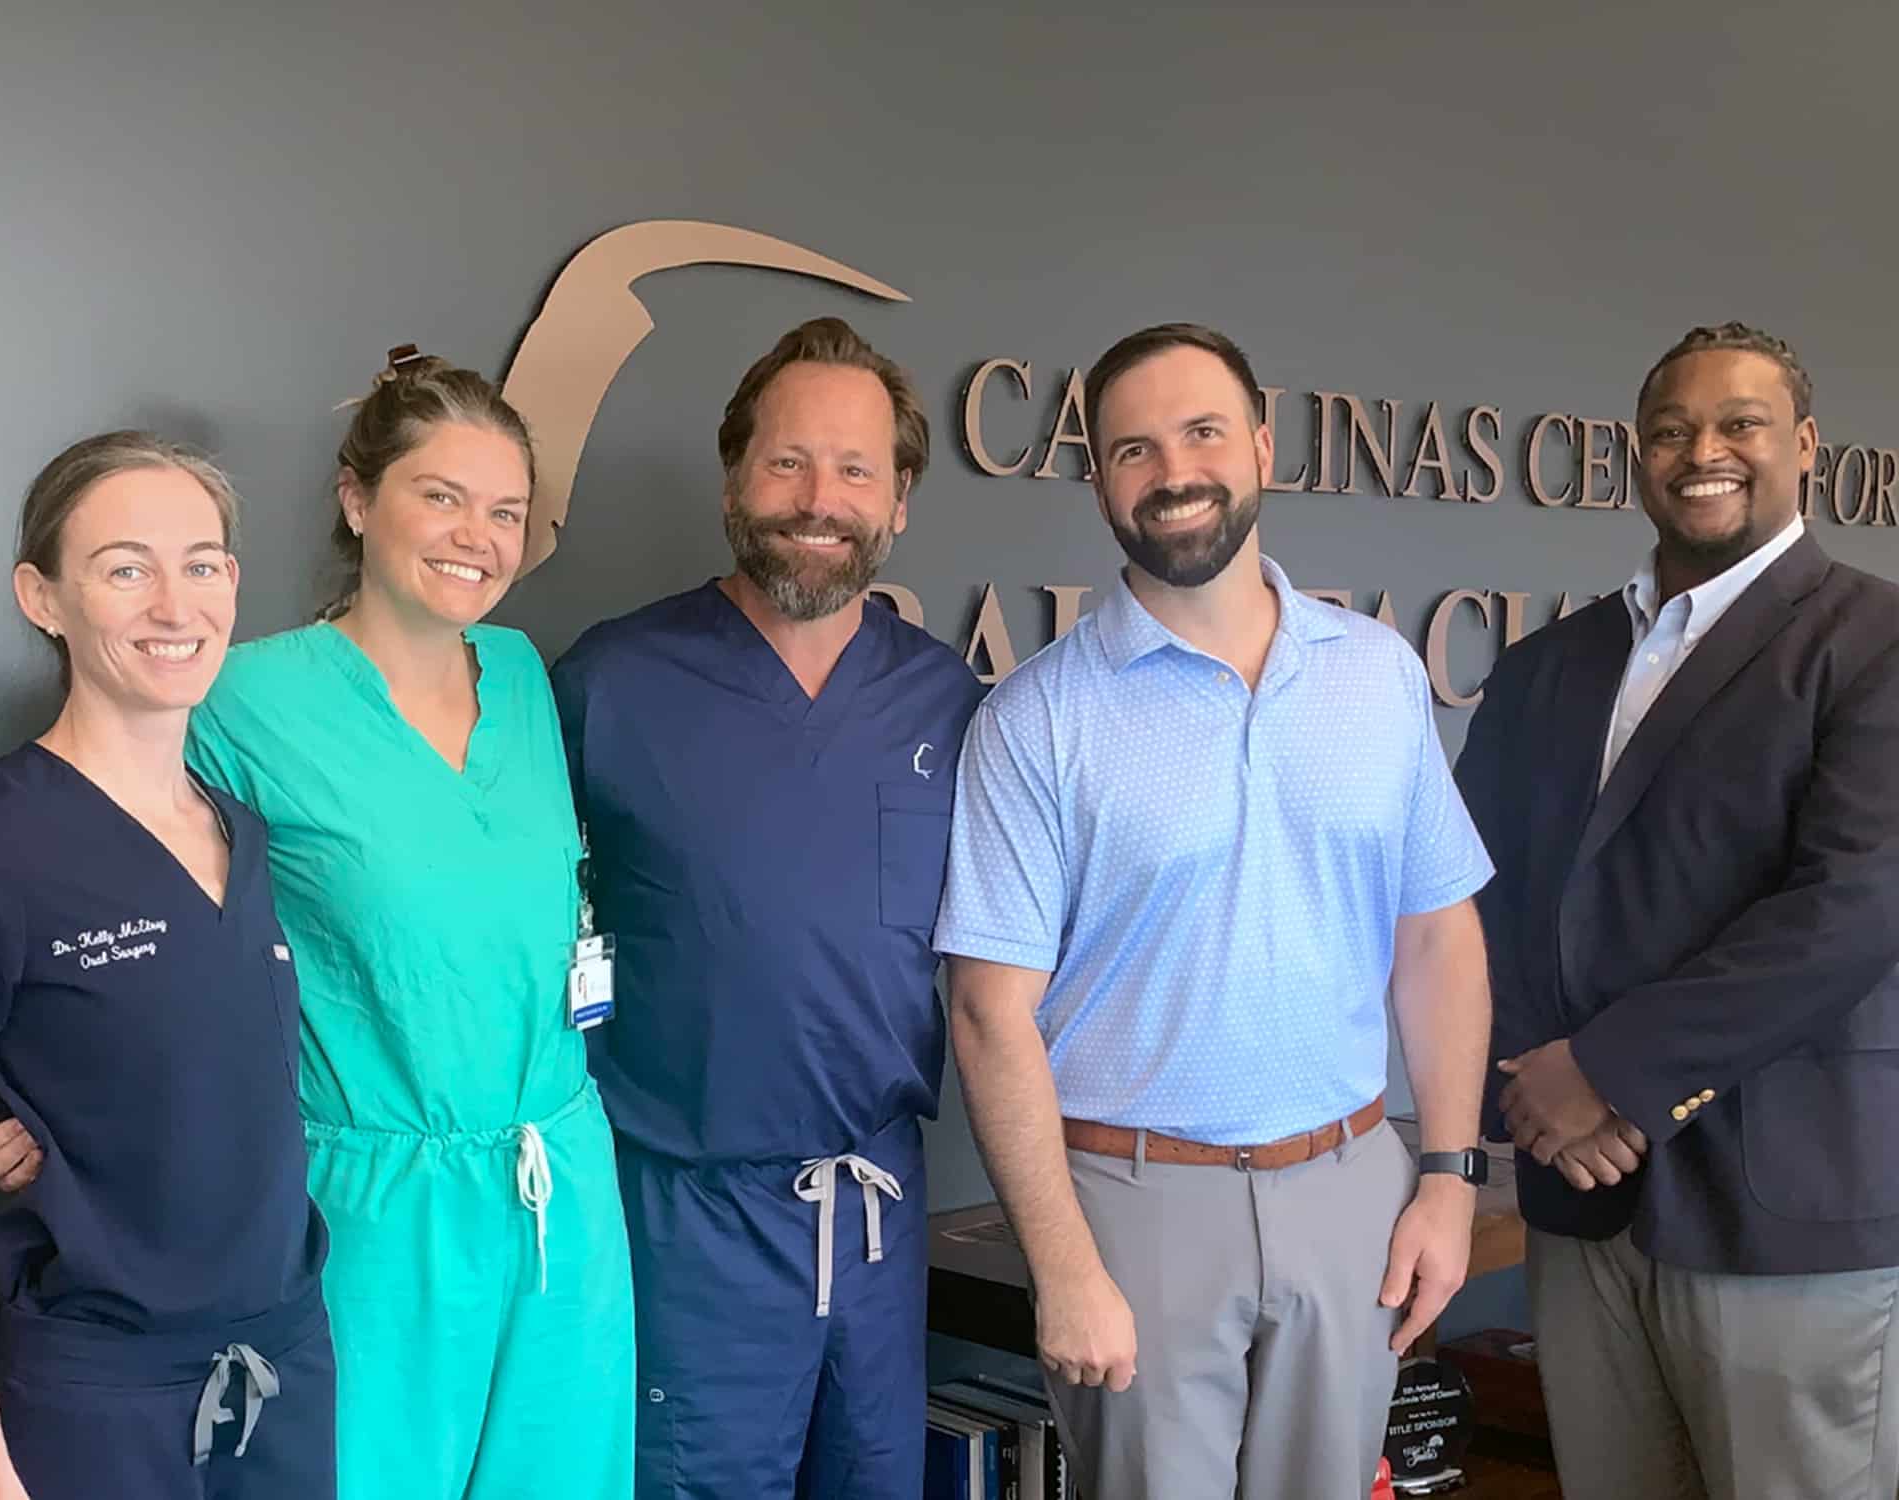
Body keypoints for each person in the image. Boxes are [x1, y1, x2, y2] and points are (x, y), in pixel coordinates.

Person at [934, 322, 1496, 1498]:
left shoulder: (1376, 672)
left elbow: (1435, 933)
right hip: (1134, 1205)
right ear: (1097, 482)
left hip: (1350, 1183)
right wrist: (1063, 1264)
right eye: (1132, 449)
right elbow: (990, 1012)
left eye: (1198, 432)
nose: (1171, 471)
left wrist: (1445, 1173)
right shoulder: (1037, 719)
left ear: (1257, 442)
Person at [1454, 322, 1899, 1500]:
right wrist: (1531, 1070)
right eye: (1668, 429)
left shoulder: (1873, 642)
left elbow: (1853, 905)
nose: (1700, 449)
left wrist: (1608, 1074)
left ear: (1801, 446)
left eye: (1737, 423)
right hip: (1576, 1199)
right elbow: (1468, 891)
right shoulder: (1549, 662)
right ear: (1632, 458)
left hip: (1779, 1209)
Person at [182, 351, 633, 1500]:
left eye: (505, 512)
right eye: (440, 495)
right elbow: (112, 901)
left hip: (559, 1194)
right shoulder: (241, 700)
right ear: (356, 498)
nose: (474, 536)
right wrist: (27, 1097)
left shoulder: (522, 675)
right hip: (373, 1215)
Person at [550, 317, 983, 1499]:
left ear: (898, 502)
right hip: (684, 1224)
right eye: (787, 460)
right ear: (735, 475)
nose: (817, 497)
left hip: (882, 1218)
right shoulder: (608, 684)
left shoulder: (946, 702)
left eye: (854, 470)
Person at [0, 433, 334, 1499]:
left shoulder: (244, 833)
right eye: (125, 567)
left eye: (200, 564)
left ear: (232, 584)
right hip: (98, 1393)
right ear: (42, 598)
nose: (173, 606)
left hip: (283, 1361)